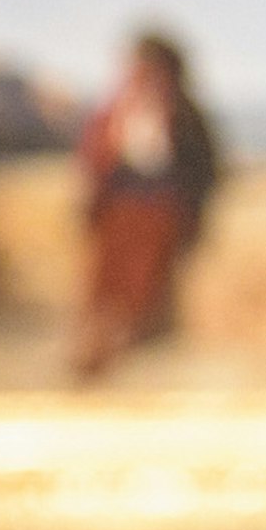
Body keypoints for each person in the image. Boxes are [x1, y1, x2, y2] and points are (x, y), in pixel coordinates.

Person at [69, 26, 222, 381]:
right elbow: (96, 161)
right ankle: (95, 343)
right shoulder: (116, 112)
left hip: (160, 207)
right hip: (119, 206)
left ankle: (112, 344)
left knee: (142, 272)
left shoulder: (183, 114)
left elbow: (202, 167)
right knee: (105, 274)